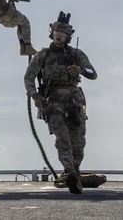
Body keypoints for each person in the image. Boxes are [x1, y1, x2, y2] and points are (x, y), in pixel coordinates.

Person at [23, 12, 97, 195]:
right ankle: (70, 172)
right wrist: (35, 96)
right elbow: (28, 77)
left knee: (78, 143)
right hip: (54, 104)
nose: (59, 35)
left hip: (75, 104)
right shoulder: (43, 55)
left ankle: (74, 172)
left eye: (63, 33)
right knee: (63, 139)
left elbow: (92, 73)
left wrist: (80, 69)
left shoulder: (76, 54)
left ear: (68, 37)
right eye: (56, 31)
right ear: (52, 33)